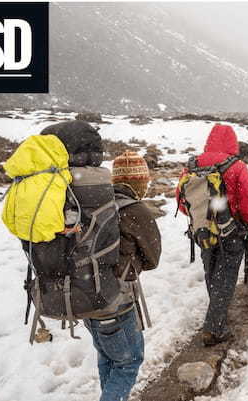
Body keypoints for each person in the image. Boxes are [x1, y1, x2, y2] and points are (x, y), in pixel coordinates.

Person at [84, 150, 162, 401]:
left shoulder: (94, 204)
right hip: (115, 302)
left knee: (109, 358)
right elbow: (152, 259)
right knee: (128, 363)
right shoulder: (136, 211)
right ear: (140, 182)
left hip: (85, 297)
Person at [176, 124, 248, 346]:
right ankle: (215, 328)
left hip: (203, 231)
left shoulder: (193, 165)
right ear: (233, 143)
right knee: (225, 278)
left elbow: (182, 200)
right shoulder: (237, 167)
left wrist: (203, 218)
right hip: (231, 232)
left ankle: (217, 316)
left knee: (212, 274)